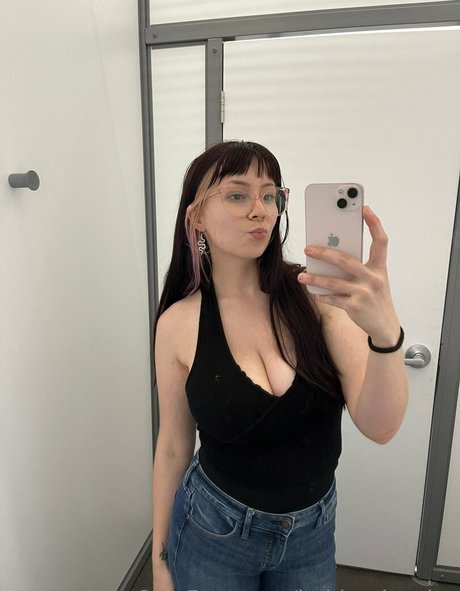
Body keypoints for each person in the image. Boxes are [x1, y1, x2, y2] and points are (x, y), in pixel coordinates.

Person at [152, 140, 408, 591]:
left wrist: (385, 334)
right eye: (238, 195)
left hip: (311, 534)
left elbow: (381, 427)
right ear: (196, 217)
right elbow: (173, 445)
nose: (261, 210)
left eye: (270, 195)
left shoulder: (317, 301)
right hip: (212, 529)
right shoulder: (179, 324)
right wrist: (159, 559)